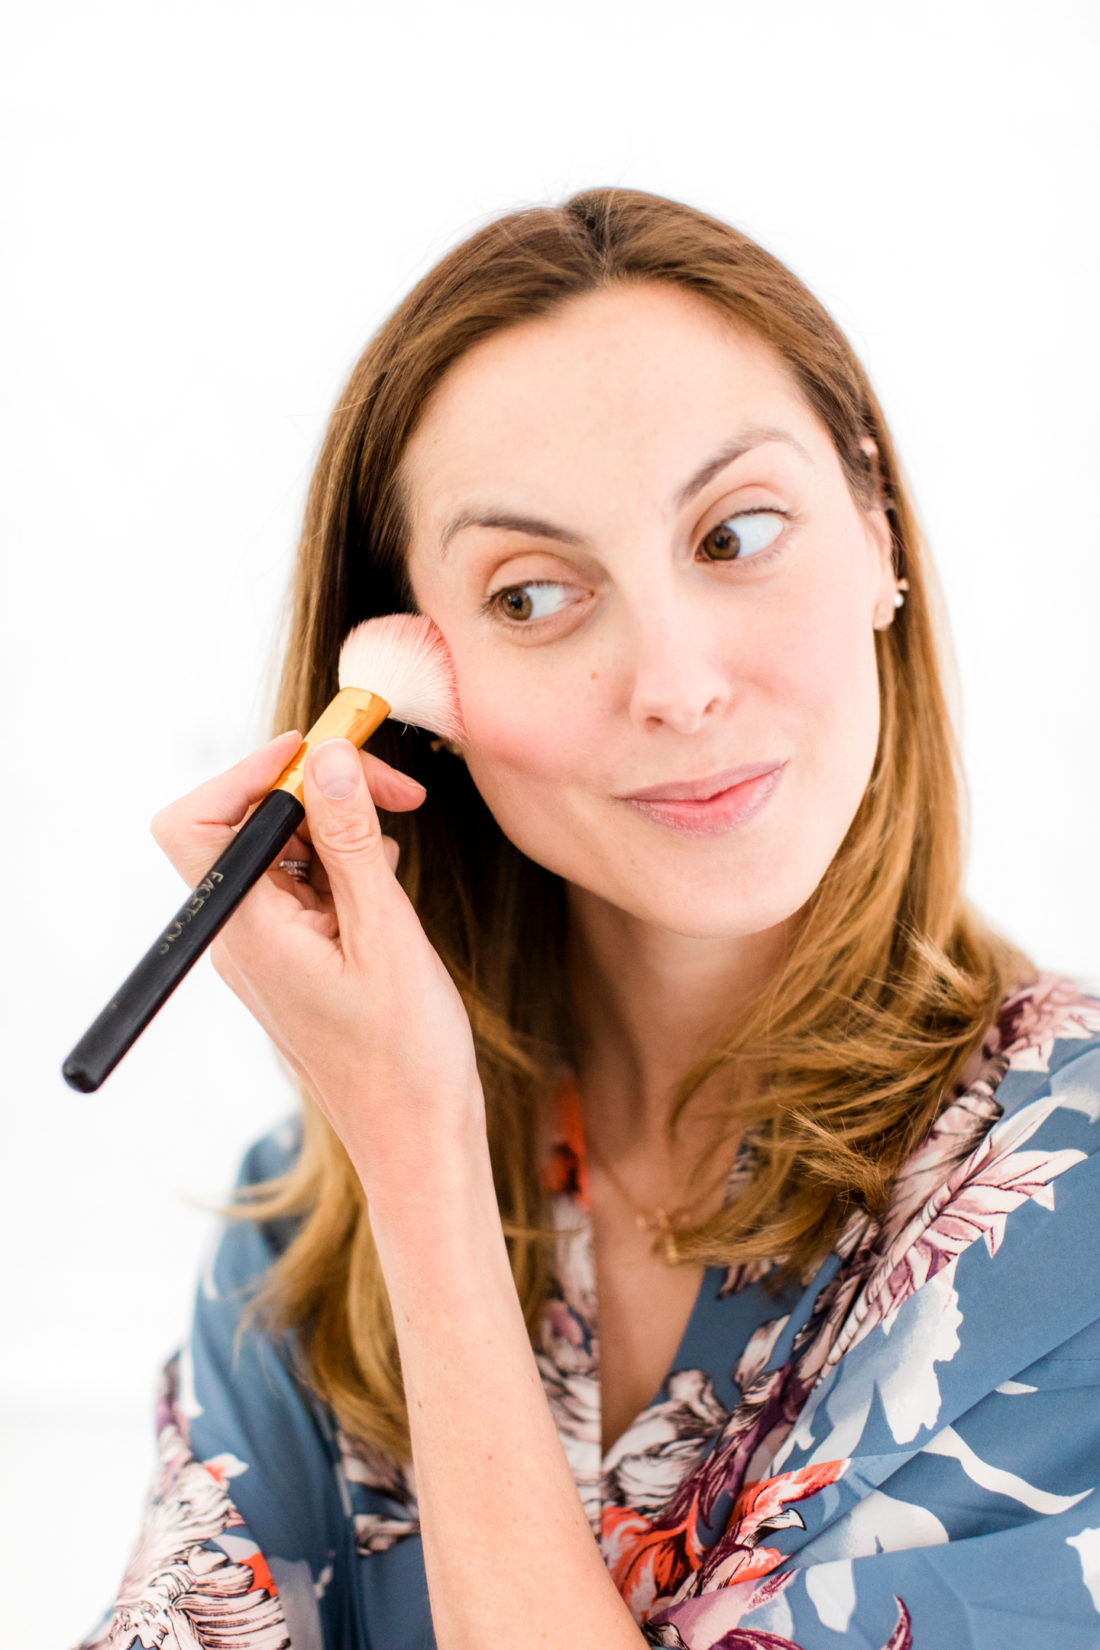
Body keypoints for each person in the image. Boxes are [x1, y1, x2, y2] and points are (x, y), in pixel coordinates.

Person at [78, 187, 1100, 1650]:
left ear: (876, 528)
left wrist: (422, 1173)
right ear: (410, 686)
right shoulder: (306, 1242)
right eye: (535, 593)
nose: (676, 682)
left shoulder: (1070, 1190)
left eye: (738, 532)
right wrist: (407, 1157)